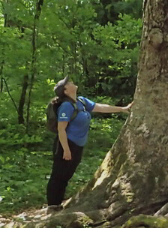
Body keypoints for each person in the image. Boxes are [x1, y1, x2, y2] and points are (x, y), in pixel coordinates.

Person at [46, 76, 132, 211]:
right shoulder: (66, 106)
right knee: (58, 175)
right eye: (69, 83)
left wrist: (122, 109)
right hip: (66, 144)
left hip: (77, 145)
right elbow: (61, 129)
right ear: (66, 90)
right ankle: (52, 205)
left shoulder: (81, 101)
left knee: (67, 174)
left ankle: (58, 203)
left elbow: (100, 107)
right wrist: (66, 150)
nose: (72, 82)